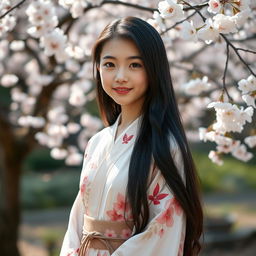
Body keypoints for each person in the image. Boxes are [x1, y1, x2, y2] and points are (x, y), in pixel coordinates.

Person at [60, 16, 203, 256]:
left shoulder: (167, 146)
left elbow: (164, 228)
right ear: (98, 68)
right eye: (109, 64)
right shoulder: (97, 143)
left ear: (153, 69)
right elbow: (78, 220)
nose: (120, 76)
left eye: (135, 65)